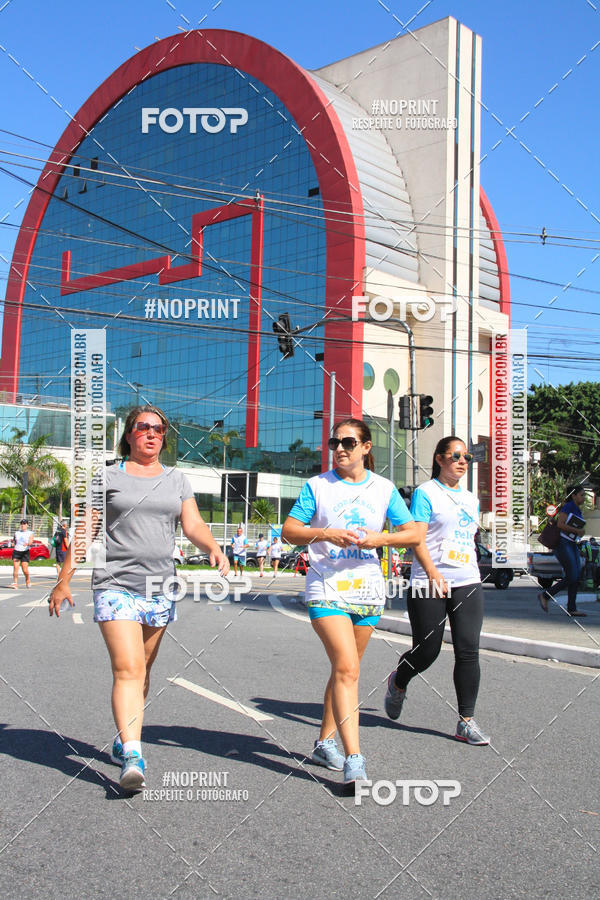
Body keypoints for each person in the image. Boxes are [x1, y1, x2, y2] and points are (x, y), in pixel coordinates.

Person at [48, 404, 229, 791]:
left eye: (159, 430)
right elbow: (86, 530)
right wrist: (64, 579)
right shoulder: (107, 477)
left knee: (143, 670)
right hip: (115, 584)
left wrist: (212, 545)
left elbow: (192, 523)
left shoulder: (176, 479)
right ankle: (133, 752)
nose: (151, 434)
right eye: (143, 427)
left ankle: (122, 737)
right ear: (128, 434)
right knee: (128, 668)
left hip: (160, 586)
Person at [282, 418, 419, 787]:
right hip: (326, 587)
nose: (339, 448)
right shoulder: (318, 486)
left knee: (346, 671)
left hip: (368, 590)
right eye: (334, 442)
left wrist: (381, 539)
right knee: (347, 669)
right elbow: (289, 531)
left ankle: (324, 741)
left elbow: (414, 531)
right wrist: (324, 533)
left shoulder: (384, 488)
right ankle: (354, 760)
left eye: (347, 442)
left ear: (366, 447)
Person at [384, 435, 490, 746]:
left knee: (468, 649)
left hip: (466, 579)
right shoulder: (426, 493)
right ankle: (399, 681)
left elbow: (467, 539)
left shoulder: (471, 498)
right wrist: (432, 573)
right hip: (426, 580)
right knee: (427, 650)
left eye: (466, 457)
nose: (462, 461)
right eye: (455, 455)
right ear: (440, 459)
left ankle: (466, 721)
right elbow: (417, 538)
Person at [538, 484, 587, 617]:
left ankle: (572, 608)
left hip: (572, 543)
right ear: (574, 495)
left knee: (575, 576)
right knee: (572, 575)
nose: (584, 497)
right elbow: (560, 524)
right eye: (582, 495)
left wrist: (579, 532)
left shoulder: (577, 509)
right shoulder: (568, 507)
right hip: (563, 543)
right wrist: (578, 530)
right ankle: (545, 596)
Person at [10, 519, 34, 588]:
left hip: (25, 552)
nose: (23, 525)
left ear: (27, 525)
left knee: (25, 570)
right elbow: (14, 541)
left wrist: (28, 544)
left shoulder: (30, 533)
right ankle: (15, 583)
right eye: (22, 524)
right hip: (17, 551)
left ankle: (27, 579)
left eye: (24, 524)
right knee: (15, 568)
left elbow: (31, 541)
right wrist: (12, 544)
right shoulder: (16, 533)